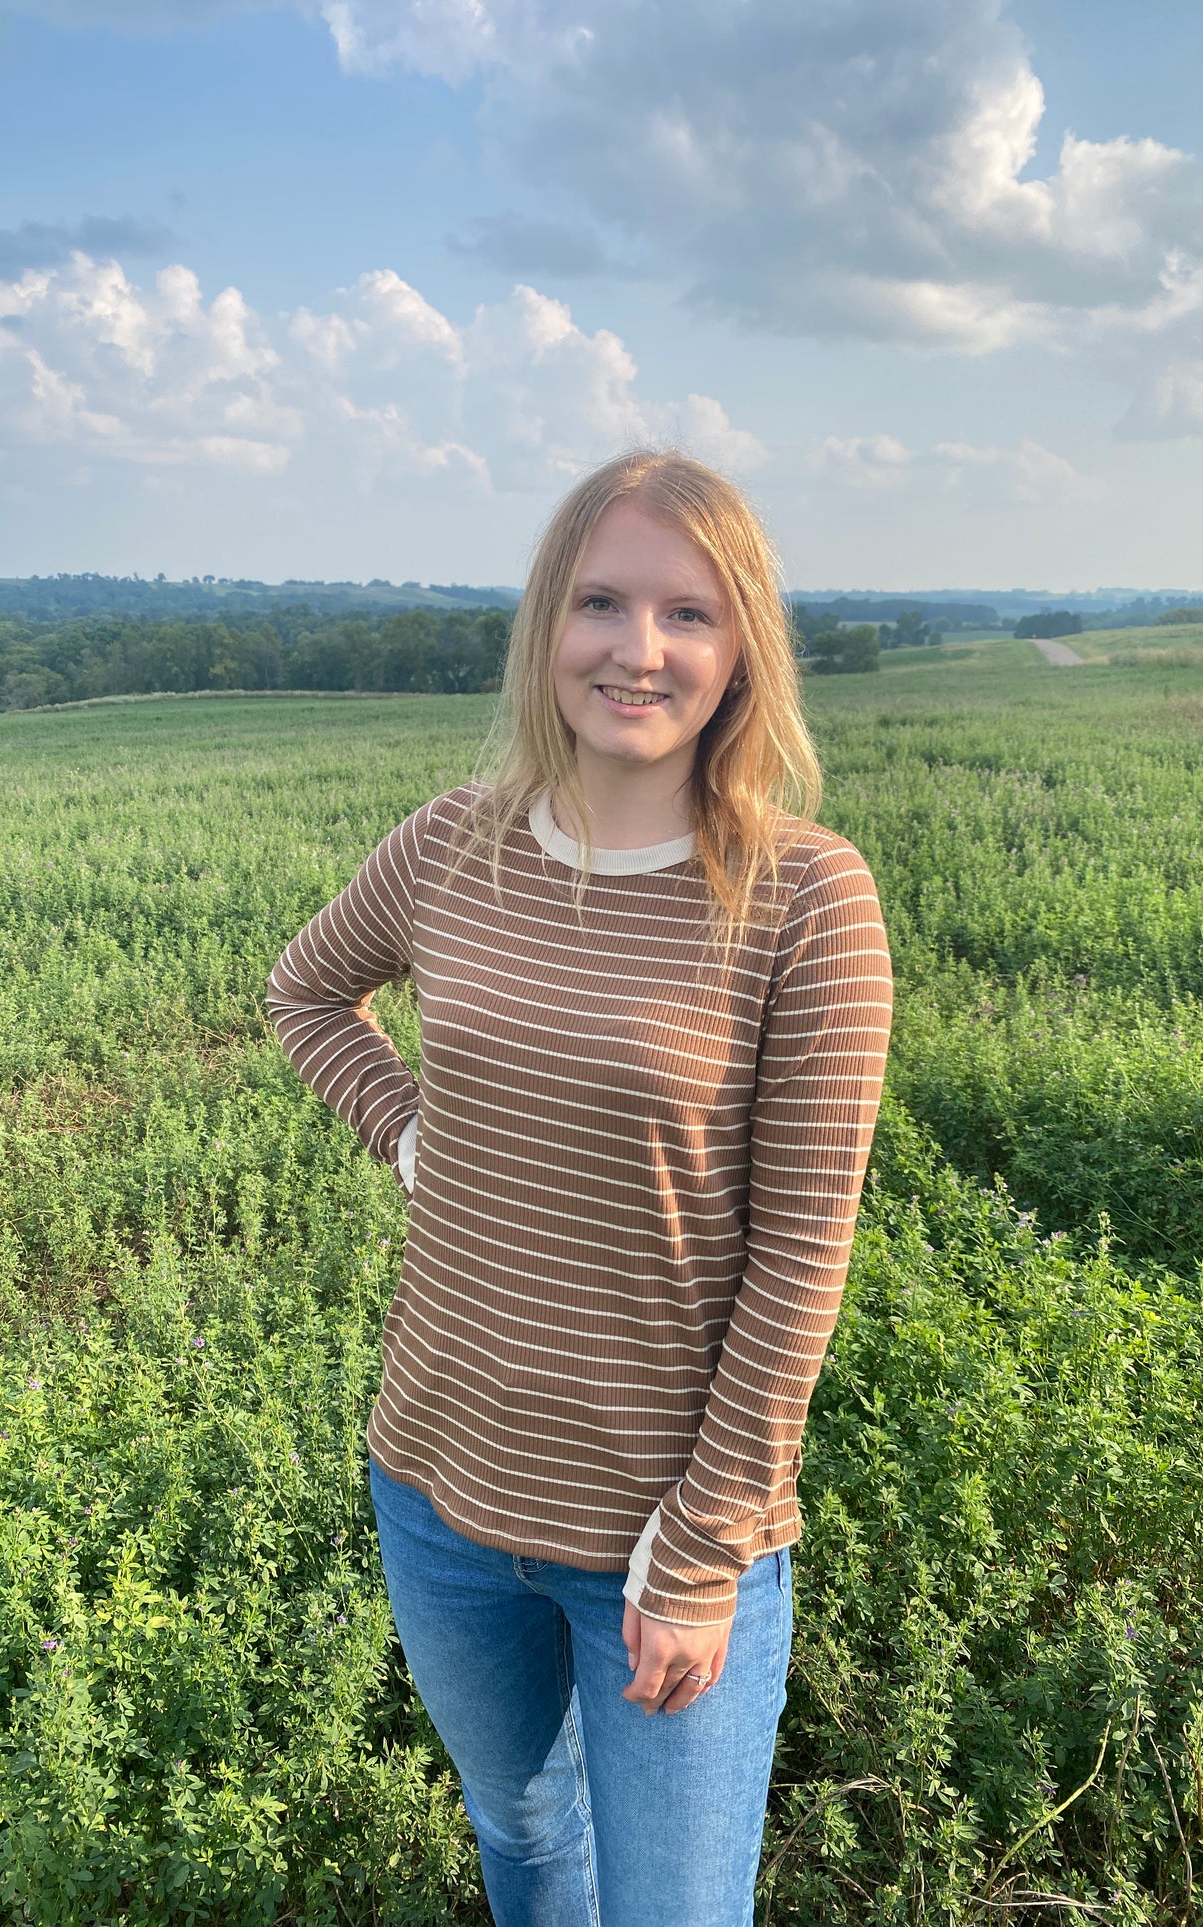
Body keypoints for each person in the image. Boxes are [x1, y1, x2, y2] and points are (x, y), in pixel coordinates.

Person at [266, 449, 893, 1927]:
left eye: (689, 612)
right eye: (601, 601)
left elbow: (800, 1260)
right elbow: (306, 996)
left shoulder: (805, 896)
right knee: (526, 1830)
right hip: (434, 1488)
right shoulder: (446, 847)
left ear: (740, 652)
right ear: (548, 624)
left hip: (665, 1539)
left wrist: (696, 1551)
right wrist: (413, 1137)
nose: (639, 648)